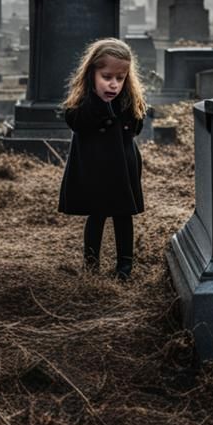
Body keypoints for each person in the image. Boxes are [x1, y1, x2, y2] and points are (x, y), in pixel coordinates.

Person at [58, 38, 147, 281]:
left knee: (123, 215)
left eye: (120, 78)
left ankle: (124, 268)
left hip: (123, 166)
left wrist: (128, 114)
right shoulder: (83, 103)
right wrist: (100, 107)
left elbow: (137, 126)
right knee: (97, 214)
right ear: (92, 73)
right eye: (106, 77)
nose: (113, 84)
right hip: (95, 168)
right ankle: (91, 264)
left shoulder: (127, 100)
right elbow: (75, 122)